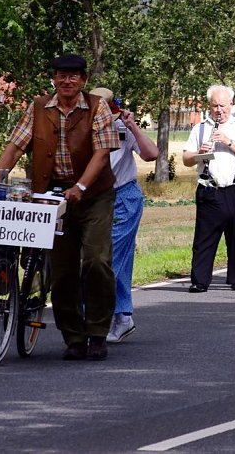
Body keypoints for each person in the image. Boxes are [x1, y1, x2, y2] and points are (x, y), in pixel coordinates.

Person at [0, 54, 119, 361]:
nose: (67, 81)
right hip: (50, 197)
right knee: (61, 269)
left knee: (96, 261)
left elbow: (102, 153)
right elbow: (15, 146)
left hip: (93, 196)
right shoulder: (38, 108)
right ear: (54, 78)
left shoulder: (97, 107)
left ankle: (97, 332)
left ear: (83, 80)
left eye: (73, 76)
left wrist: (81, 187)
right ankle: (74, 337)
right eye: (61, 75)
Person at [88, 88, 159, 344]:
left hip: (123, 197)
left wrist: (132, 126)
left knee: (108, 258)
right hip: (94, 199)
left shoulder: (123, 128)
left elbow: (151, 154)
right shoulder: (83, 128)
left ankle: (92, 316)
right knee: (116, 258)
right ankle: (123, 316)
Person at [182, 85, 235, 292]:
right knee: (204, 238)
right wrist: (199, 153)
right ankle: (200, 280)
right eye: (215, 106)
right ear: (209, 106)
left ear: (231, 105)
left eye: (223, 106)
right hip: (209, 189)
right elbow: (186, 159)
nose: (219, 110)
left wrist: (228, 141)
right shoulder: (200, 128)